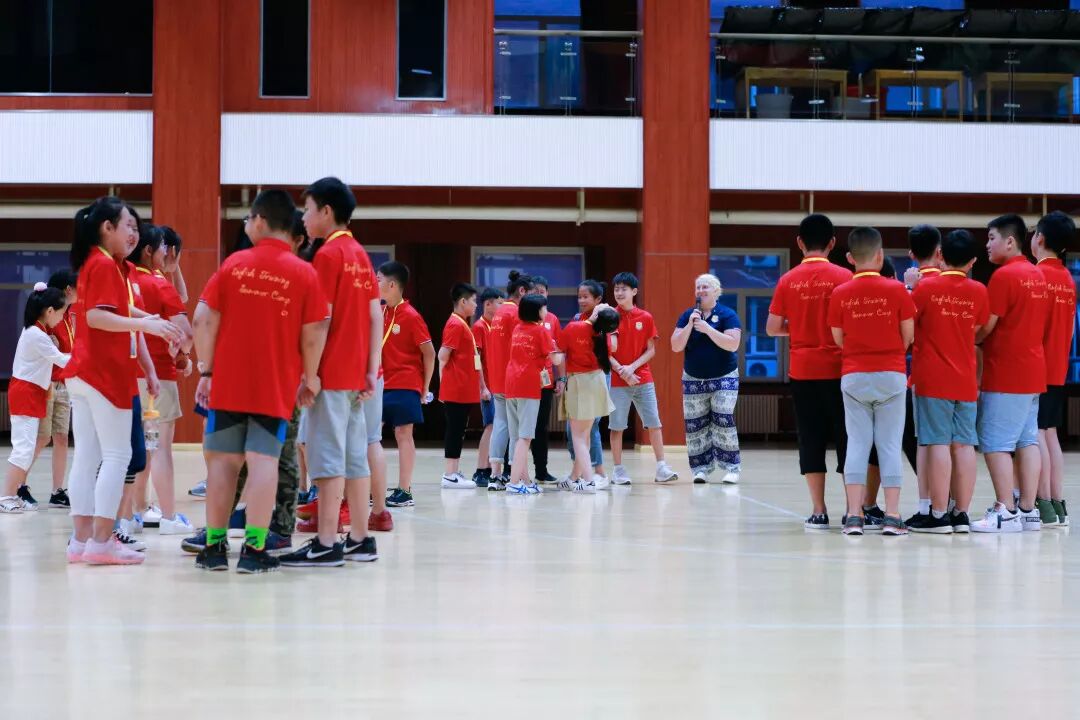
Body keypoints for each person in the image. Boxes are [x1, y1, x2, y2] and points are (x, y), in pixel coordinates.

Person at [192, 189, 329, 574]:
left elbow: (202, 319)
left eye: (249, 219)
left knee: (223, 463)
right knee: (264, 461)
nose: (246, 225)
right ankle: (254, 550)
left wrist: (207, 370)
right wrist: (310, 377)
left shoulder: (233, 265)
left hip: (227, 385)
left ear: (261, 221)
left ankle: (214, 547)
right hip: (275, 385)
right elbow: (315, 331)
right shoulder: (304, 273)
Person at [64, 197, 182, 565]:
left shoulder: (100, 262)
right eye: (128, 225)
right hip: (104, 373)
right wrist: (147, 324)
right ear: (107, 228)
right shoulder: (103, 264)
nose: (134, 233)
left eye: (136, 227)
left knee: (87, 457)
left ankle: (81, 541)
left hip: (83, 372)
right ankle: (101, 541)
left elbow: (114, 307)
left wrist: (147, 320)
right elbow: (97, 317)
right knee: (117, 456)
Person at [280, 176, 381, 567]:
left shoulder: (327, 255)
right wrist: (371, 369)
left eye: (307, 210)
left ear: (326, 211)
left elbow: (321, 320)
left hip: (331, 374)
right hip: (355, 375)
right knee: (355, 458)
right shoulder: (360, 254)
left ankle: (326, 542)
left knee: (327, 458)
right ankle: (360, 538)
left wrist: (310, 374)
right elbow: (374, 315)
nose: (304, 218)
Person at [766, 214, 853, 529]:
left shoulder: (787, 280)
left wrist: (800, 328)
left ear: (799, 243)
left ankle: (818, 510)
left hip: (803, 371)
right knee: (847, 438)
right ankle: (852, 510)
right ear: (832, 243)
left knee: (810, 438)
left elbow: (772, 327)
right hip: (840, 370)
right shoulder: (845, 277)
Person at [828, 227, 916, 536]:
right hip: (891, 374)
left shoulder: (840, 293)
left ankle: (854, 516)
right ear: (880, 255)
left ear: (851, 258)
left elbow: (838, 338)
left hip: (854, 375)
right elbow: (908, 336)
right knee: (889, 445)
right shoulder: (897, 291)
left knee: (857, 444)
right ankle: (892, 516)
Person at [972, 214, 1050, 533]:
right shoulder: (1038, 275)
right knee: (1027, 440)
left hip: (1006, 373)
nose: (987, 245)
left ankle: (1005, 510)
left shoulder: (1004, 277)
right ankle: (1029, 511)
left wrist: (966, 336)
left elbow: (986, 327)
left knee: (995, 443)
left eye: (992, 238)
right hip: (1033, 371)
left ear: (1010, 241)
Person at [907, 230, 988, 534]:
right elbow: (979, 329)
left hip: (932, 378)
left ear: (941, 255)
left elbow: (908, 326)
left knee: (937, 442)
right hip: (965, 379)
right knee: (965, 445)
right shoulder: (979, 291)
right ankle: (961, 513)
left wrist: (911, 287)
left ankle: (938, 514)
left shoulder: (925, 288)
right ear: (973, 261)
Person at [128, 222, 195, 535]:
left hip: (127, 377)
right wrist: (183, 355)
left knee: (137, 447)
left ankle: (136, 511)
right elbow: (186, 334)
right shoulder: (159, 285)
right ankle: (169, 517)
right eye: (164, 248)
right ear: (149, 250)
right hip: (158, 377)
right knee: (161, 448)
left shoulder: (125, 280)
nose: (167, 252)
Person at [2, 284, 71, 513]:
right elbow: (63, 361)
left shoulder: (37, 332)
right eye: (61, 313)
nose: (61, 318)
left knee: (26, 448)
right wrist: (90, 358)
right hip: (26, 394)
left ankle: (12, 494)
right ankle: (5, 496)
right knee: (23, 449)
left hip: (32, 393)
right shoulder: (36, 335)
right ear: (50, 311)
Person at [607, 272, 678, 485]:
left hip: (643, 378)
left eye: (624, 289)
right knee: (617, 426)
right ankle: (618, 470)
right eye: (616, 289)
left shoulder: (645, 317)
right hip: (618, 380)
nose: (619, 293)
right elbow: (605, 352)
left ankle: (661, 468)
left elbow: (651, 350)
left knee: (654, 422)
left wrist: (632, 368)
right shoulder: (609, 316)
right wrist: (622, 370)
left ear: (634, 291)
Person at [671, 273, 742, 485]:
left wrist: (707, 329)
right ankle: (700, 469)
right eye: (698, 287)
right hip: (693, 378)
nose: (701, 291)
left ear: (716, 291)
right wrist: (690, 325)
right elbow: (675, 346)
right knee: (696, 425)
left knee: (723, 418)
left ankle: (732, 468)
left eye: (705, 287)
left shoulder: (727, 314)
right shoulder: (688, 315)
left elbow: (733, 344)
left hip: (724, 376)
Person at [895, 224, 943, 528]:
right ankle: (954, 507)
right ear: (939, 252)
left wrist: (909, 288)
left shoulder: (913, 290)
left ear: (911, 254)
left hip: (925, 376)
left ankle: (930, 508)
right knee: (956, 445)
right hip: (963, 379)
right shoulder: (965, 286)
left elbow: (905, 334)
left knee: (925, 443)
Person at [1032, 211, 1077, 528]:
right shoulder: (1067, 280)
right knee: (1050, 433)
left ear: (1041, 239)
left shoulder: (1037, 276)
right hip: (1059, 366)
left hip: (1036, 366)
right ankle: (1058, 504)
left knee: (1036, 433)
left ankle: (1044, 502)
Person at [379, 261, 435, 507]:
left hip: (405, 383)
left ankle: (404, 490)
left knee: (403, 434)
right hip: (380, 383)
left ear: (392, 284)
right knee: (370, 436)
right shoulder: (380, 312)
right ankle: (370, 488)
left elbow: (429, 353)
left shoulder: (411, 316)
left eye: (378, 279)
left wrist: (425, 386)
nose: (375, 283)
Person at [27, 270, 78, 510]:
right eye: (78, 287)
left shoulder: (69, 315)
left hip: (65, 383)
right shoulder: (48, 315)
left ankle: (57, 491)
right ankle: (19, 484)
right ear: (68, 289)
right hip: (47, 383)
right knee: (41, 437)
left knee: (61, 437)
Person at [503, 294, 563, 494]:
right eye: (544, 308)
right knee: (526, 437)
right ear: (537, 311)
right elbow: (555, 360)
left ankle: (526, 481)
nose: (546, 311)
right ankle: (514, 483)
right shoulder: (540, 331)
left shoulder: (517, 329)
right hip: (528, 386)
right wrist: (557, 347)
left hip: (511, 384)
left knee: (516, 436)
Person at [559, 306, 619, 493]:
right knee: (584, 435)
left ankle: (588, 481)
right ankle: (574, 478)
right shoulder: (604, 335)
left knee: (578, 436)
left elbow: (558, 352)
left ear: (596, 314)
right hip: (597, 381)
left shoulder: (574, 327)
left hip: (579, 383)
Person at [486, 271, 535, 491]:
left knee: (500, 423)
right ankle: (519, 477)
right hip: (512, 380)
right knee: (516, 430)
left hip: (497, 378)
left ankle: (495, 475)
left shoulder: (499, 312)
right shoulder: (515, 313)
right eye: (531, 294)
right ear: (522, 291)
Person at [438, 283, 484, 489]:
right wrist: (445, 385)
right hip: (456, 389)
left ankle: (453, 472)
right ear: (463, 301)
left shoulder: (462, 323)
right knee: (455, 431)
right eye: (473, 301)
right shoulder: (455, 324)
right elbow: (442, 356)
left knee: (459, 430)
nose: (476, 305)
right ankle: (449, 474)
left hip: (462, 389)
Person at [566, 280, 609, 487]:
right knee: (577, 431)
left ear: (598, 299)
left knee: (588, 429)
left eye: (586, 297)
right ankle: (577, 475)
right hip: (577, 377)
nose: (581, 300)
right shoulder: (577, 319)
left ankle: (597, 473)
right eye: (579, 296)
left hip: (595, 376)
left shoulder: (606, 318)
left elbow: (612, 348)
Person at [470, 287, 504, 487]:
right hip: (489, 387)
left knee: (497, 427)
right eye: (499, 302)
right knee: (490, 426)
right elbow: (477, 360)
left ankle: (492, 468)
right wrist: (483, 387)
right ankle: (481, 469)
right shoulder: (479, 327)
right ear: (488, 304)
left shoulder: (497, 326)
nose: (502, 306)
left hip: (499, 386)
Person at [530, 276, 562, 485]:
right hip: (525, 382)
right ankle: (511, 471)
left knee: (541, 427)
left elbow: (559, 351)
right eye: (535, 292)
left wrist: (561, 378)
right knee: (521, 428)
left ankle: (541, 471)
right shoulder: (522, 318)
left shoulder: (552, 319)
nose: (539, 295)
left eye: (542, 291)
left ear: (547, 293)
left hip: (546, 382)